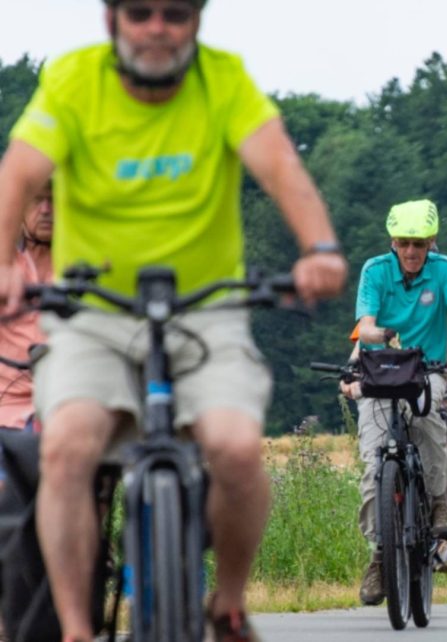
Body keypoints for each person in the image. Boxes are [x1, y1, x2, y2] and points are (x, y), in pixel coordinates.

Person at [0, 1, 348, 639]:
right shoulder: (76, 80)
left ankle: (229, 602)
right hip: (96, 314)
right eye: (140, 13)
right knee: (68, 445)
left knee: (237, 449)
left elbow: (280, 167)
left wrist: (319, 248)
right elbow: (19, 173)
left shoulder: (224, 80)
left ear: (196, 23)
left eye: (175, 13)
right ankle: (76, 629)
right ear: (113, 22)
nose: (157, 27)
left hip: (205, 311)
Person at [342, 199, 447, 605]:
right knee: (373, 464)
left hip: (428, 369)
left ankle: (437, 503)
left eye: (419, 243)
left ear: (431, 241)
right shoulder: (374, 270)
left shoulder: (444, 269)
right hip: (381, 368)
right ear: (393, 242)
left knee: (427, 423)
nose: (412, 252)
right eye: (404, 243)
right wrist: (383, 337)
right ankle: (379, 555)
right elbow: (365, 326)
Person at [345, 299, 447, 575]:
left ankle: (443, 538)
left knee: (446, 453)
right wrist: (350, 373)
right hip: (390, 391)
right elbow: (362, 344)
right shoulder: (385, 300)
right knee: (379, 462)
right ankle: (380, 554)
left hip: (444, 392)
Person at [0, 180, 52, 432]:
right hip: (6, 409)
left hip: (67, 404)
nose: (45, 209)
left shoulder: (82, 266)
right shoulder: (5, 264)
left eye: (54, 201)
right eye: (36, 200)